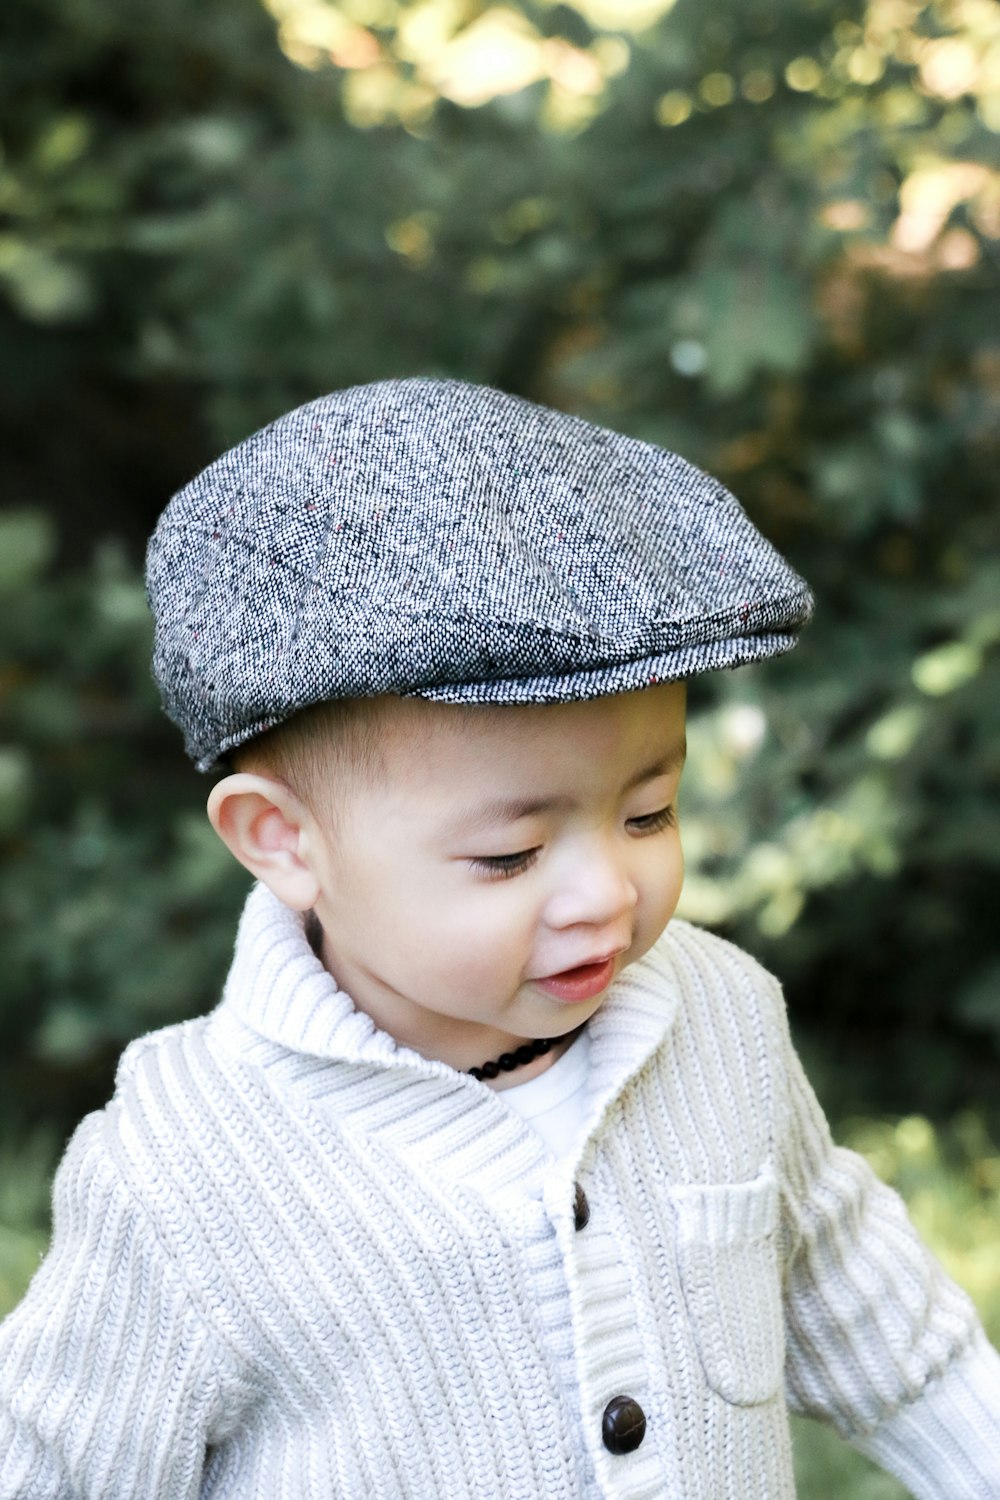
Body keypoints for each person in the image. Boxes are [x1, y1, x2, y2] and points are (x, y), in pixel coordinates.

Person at [1, 376, 997, 1500]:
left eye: (647, 813)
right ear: (282, 839)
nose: (603, 895)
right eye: (507, 859)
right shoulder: (187, 1165)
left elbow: (881, 1324)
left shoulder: (719, 1017)